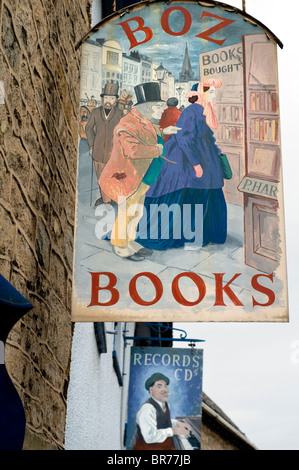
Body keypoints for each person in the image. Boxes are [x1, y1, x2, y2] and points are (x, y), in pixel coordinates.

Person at [136, 78, 227, 250]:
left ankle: (205, 233)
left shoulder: (202, 110)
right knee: (189, 195)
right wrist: (196, 164)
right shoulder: (192, 111)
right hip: (185, 160)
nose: (215, 95)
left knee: (205, 194)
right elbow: (185, 138)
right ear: (201, 94)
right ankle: (192, 234)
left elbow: (203, 136)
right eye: (211, 92)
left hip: (201, 156)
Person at [99, 82, 180, 261]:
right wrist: (157, 150)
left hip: (140, 178)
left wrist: (164, 130)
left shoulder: (143, 120)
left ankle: (130, 240)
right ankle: (120, 246)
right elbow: (132, 150)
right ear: (148, 107)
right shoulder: (126, 124)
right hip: (125, 178)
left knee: (136, 211)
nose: (162, 111)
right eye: (159, 107)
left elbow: (149, 132)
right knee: (127, 211)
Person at [85, 83, 123, 206]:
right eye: (105, 98)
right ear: (102, 99)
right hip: (98, 152)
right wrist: (91, 145)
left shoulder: (119, 113)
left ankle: (109, 199)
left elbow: (124, 131)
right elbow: (88, 128)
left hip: (113, 153)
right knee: (101, 178)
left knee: (112, 178)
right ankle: (106, 200)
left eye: (111, 98)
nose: (108, 101)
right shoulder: (96, 112)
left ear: (116, 100)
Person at [131, 372, 192, 450]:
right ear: (151, 390)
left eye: (165, 386)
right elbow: (150, 437)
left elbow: (160, 421)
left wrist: (177, 423)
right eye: (159, 386)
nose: (165, 390)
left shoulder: (164, 405)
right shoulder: (147, 409)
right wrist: (173, 431)